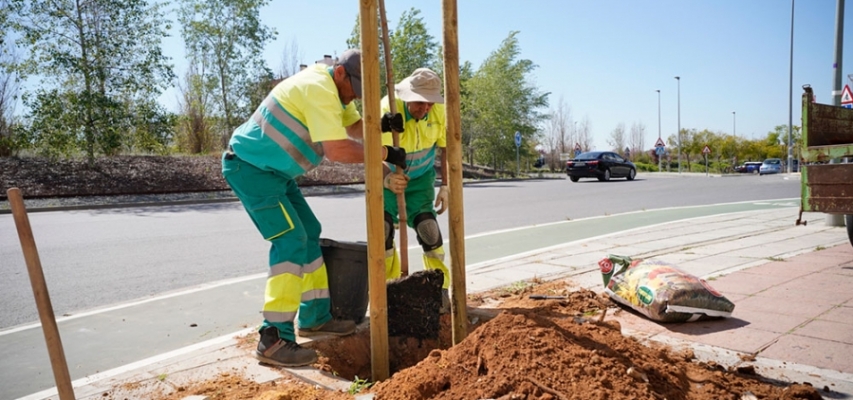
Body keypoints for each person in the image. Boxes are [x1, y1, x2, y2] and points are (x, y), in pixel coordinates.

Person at [222, 49, 408, 367]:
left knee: (309, 233)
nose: (355, 98)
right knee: (290, 240)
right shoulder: (319, 88)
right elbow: (336, 149)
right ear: (340, 74)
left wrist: (380, 124)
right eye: (356, 90)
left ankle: (315, 318)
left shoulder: (337, 93)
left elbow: (353, 128)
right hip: (251, 169)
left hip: (276, 173)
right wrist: (386, 153)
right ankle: (273, 337)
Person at [379, 67, 451, 312]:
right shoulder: (388, 109)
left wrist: (445, 185)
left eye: (430, 104)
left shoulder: (439, 111)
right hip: (389, 175)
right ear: (408, 97)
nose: (425, 109)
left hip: (421, 179)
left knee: (428, 229)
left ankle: (439, 290)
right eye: (420, 103)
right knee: (383, 230)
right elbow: (366, 150)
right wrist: (386, 178)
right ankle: (388, 289)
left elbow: (447, 147)